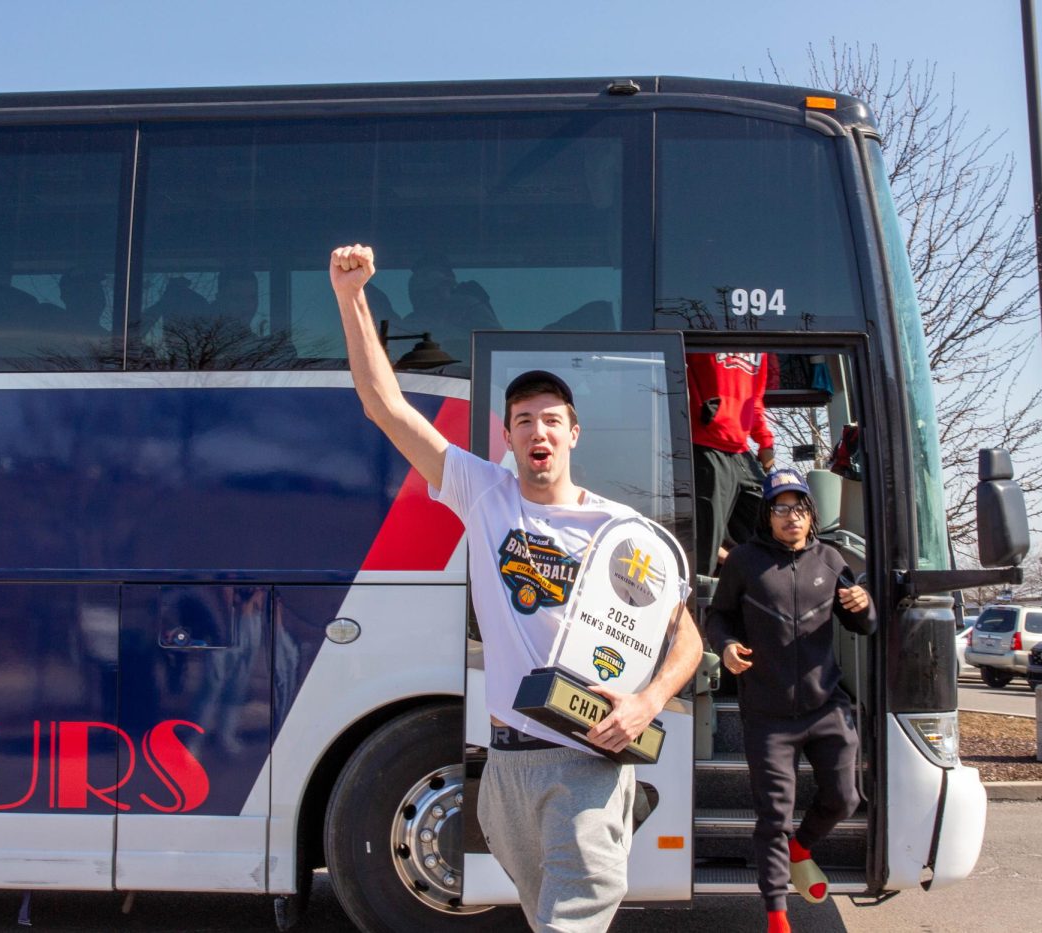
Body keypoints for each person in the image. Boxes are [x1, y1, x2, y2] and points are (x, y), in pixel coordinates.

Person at [330, 243, 701, 933]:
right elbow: (384, 405)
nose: (539, 430)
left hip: (586, 765)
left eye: (551, 419)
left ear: (572, 434)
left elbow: (687, 633)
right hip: (505, 772)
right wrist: (351, 298)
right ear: (506, 435)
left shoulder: (621, 532)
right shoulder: (485, 494)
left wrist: (650, 700)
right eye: (524, 419)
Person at [704, 468, 876, 933]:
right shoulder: (744, 560)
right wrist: (725, 647)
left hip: (826, 707)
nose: (791, 517)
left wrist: (865, 604)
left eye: (799, 508)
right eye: (781, 508)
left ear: (811, 514)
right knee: (773, 816)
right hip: (768, 714)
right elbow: (717, 616)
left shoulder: (832, 560)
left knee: (845, 798)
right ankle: (778, 918)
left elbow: (864, 626)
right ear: (767, 514)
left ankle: (803, 850)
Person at [687, 352, 776, 576]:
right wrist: (702, 410)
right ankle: (697, 605)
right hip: (704, 444)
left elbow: (755, 400)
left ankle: (762, 583)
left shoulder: (760, 350)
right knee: (706, 538)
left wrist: (764, 441)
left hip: (740, 450)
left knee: (771, 517)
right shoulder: (704, 324)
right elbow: (680, 371)